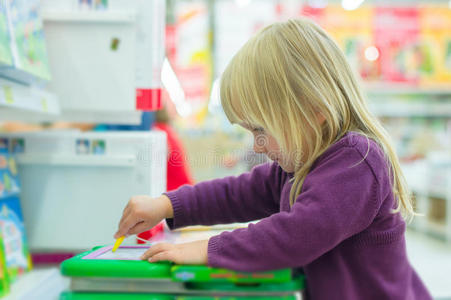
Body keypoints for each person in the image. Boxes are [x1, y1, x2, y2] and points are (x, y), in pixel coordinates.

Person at [114, 18, 431, 299]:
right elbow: (237, 194)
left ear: (313, 110)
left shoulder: (355, 161)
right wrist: (167, 205)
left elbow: (297, 235)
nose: (258, 145)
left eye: (261, 129)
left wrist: (206, 250)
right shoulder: (301, 166)